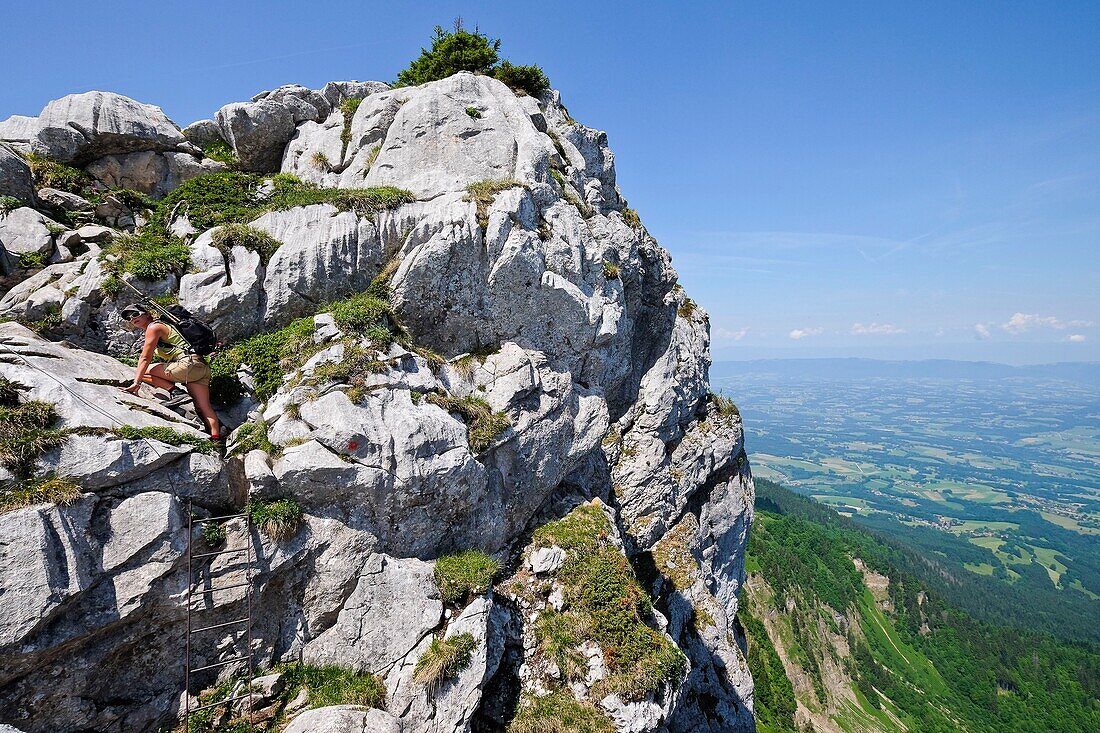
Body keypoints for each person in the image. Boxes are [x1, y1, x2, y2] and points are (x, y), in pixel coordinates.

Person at [119, 304, 222, 441]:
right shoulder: (164, 326)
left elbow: (145, 357)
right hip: (201, 367)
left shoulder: (153, 327)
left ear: (147, 314)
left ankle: (175, 392)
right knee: (204, 407)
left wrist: (136, 383)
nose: (132, 318)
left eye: (135, 314)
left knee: (141, 371)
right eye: (128, 318)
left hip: (187, 365)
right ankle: (217, 440)